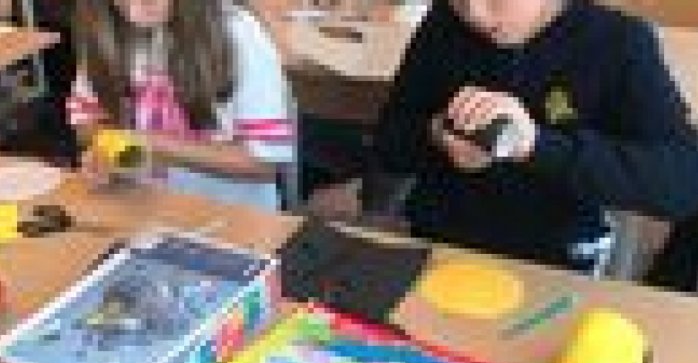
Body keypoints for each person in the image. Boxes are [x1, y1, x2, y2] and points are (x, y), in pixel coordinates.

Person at [361, 0, 698, 274]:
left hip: (556, 260)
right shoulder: (443, 24)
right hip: (440, 245)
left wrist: (535, 146)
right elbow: (389, 142)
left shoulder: (618, 42)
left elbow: (681, 184)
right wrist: (436, 134)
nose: (475, 14)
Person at [67, 0, 297, 211]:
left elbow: (263, 163)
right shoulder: (109, 29)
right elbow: (87, 122)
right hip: (143, 209)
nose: (134, 7)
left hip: (235, 217)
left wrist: (154, 145)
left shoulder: (236, 33)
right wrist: (116, 153)